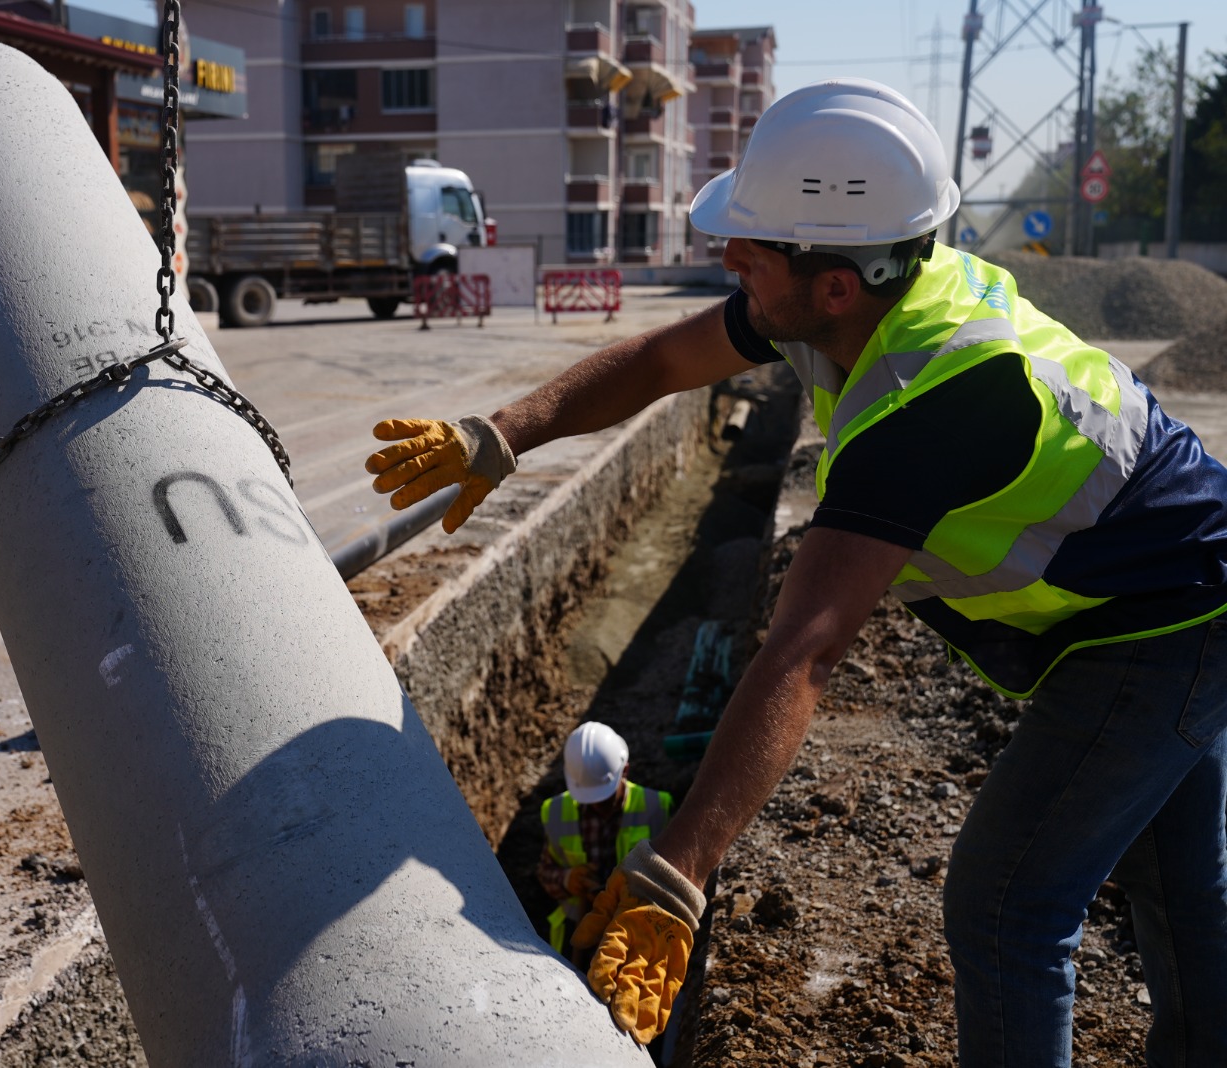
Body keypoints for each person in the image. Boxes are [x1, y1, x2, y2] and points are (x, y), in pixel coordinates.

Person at [364, 77, 1227, 1066]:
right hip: (1161, 581)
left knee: (1006, 901)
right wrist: (498, 434)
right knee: (1178, 887)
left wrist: (677, 875)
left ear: (834, 284)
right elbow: (654, 361)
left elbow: (800, 655)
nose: (727, 258)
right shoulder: (850, 293)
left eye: (751, 246)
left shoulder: (929, 403)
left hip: (1166, 620)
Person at [537, 722, 674, 966]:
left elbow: (673, 878)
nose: (596, 805)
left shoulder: (656, 808)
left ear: (625, 771)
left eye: (604, 797)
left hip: (636, 926)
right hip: (578, 928)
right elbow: (545, 872)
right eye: (590, 798)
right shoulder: (556, 812)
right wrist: (568, 880)